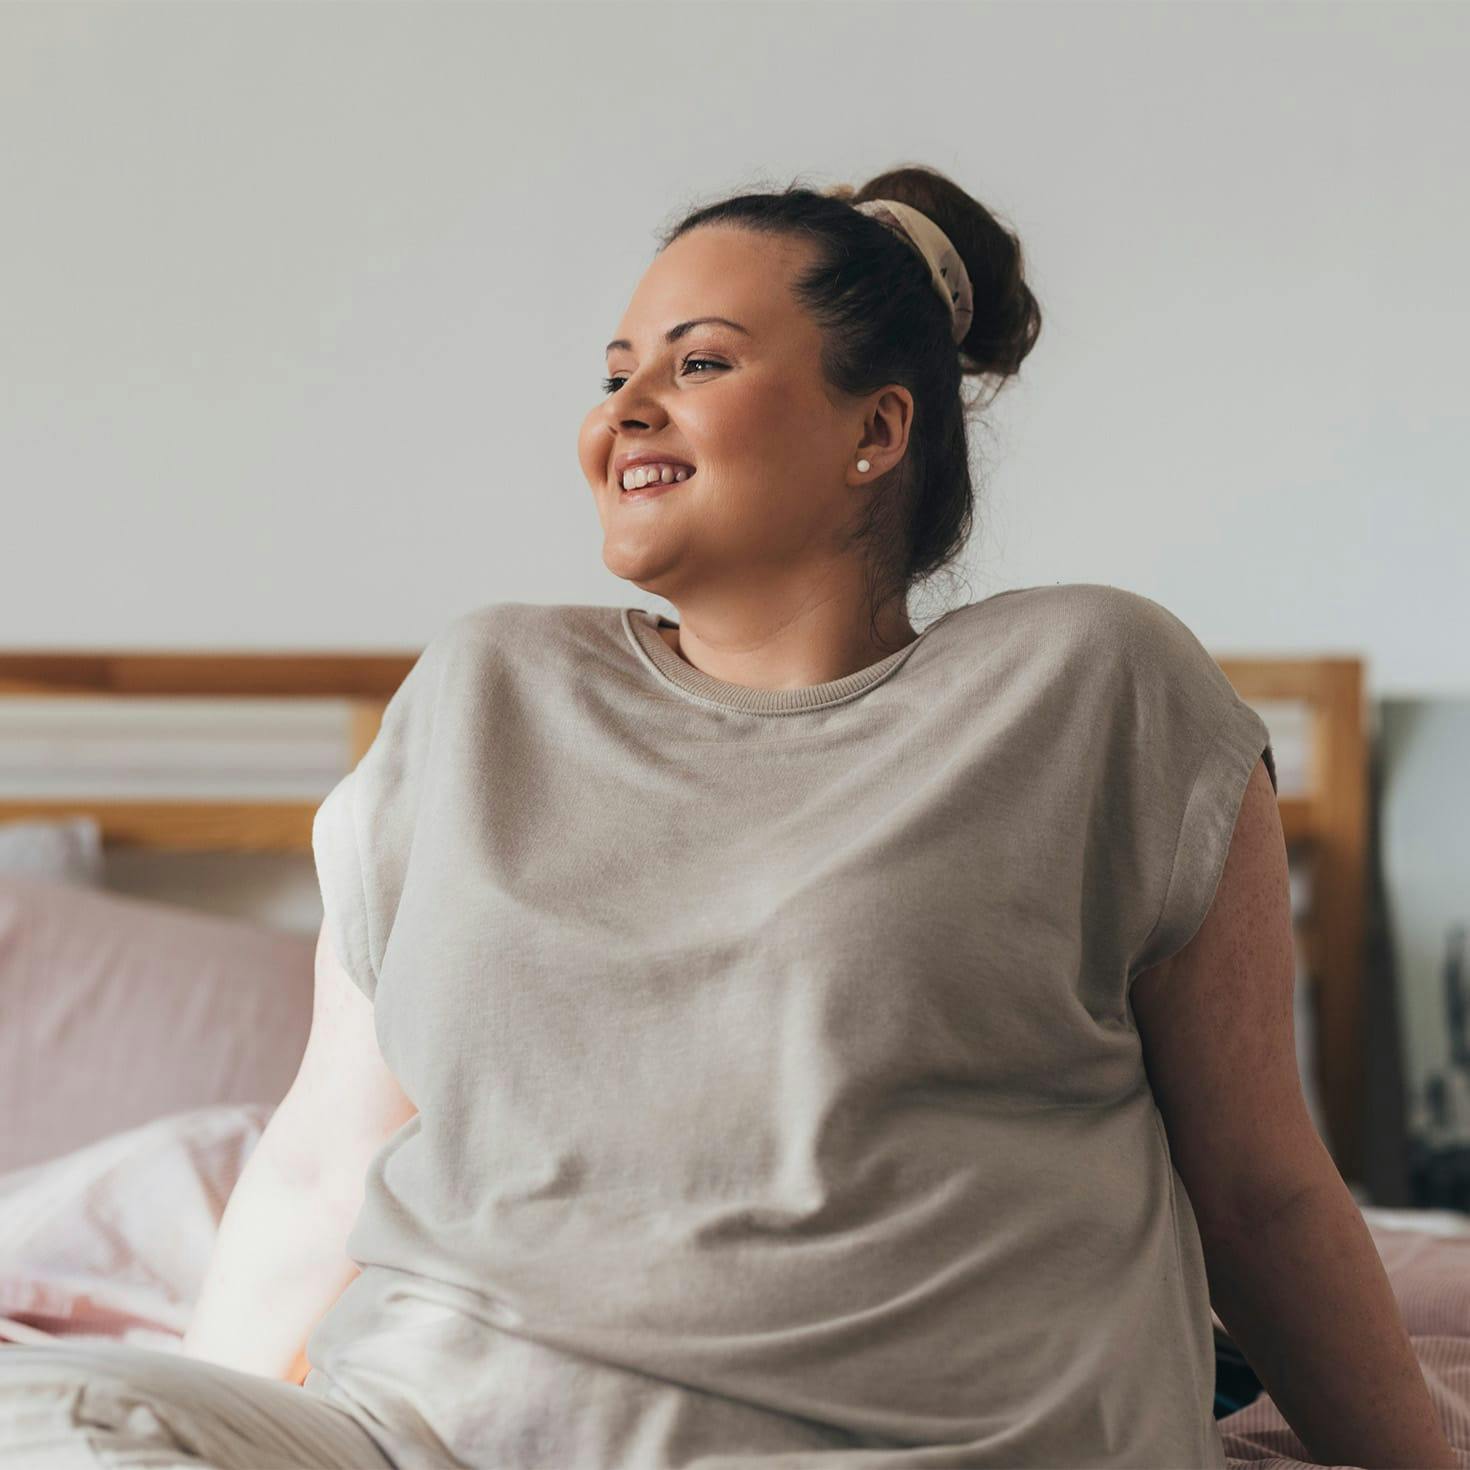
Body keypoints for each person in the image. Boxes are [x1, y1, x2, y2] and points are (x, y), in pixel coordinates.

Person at [1, 166, 1458, 1470]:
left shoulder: (1094, 685)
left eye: (697, 362)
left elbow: (1260, 1193)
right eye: (615, 370)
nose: (624, 407)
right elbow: (325, 1156)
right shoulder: (481, 691)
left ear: (877, 429)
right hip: (425, 1433)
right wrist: (207, 1425)